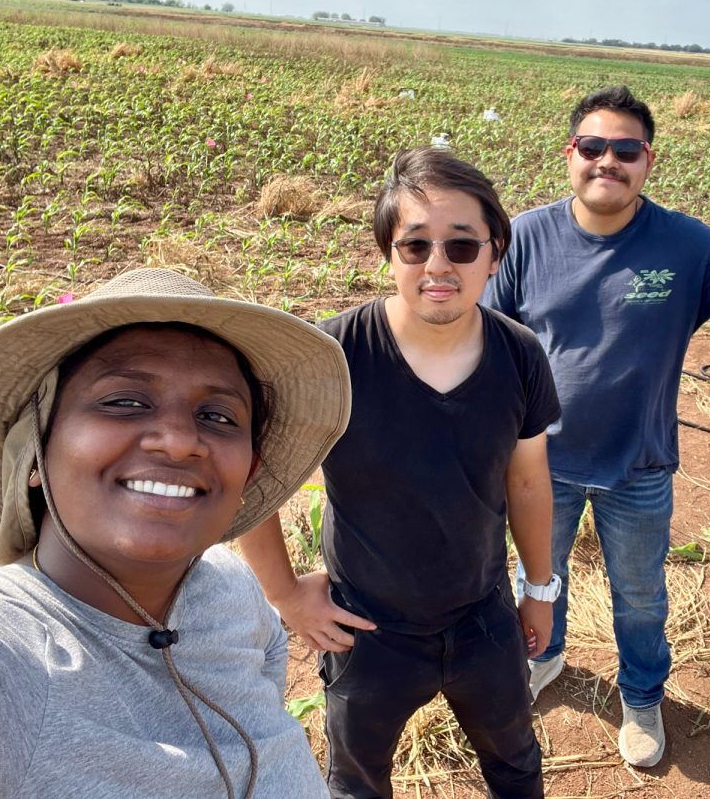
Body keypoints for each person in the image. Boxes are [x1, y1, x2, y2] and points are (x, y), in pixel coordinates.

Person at [0, 268, 352, 798]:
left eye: (217, 415)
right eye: (125, 402)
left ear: (249, 472)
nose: (180, 441)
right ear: (34, 450)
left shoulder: (232, 590)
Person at [239, 147, 561, 799]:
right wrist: (285, 594)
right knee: (357, 782)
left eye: (462, 247)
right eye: (415, 246)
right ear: (389, 254)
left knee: (516, 763)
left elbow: (527, 483)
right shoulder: (330, 359)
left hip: (484, 616)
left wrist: (539, 588)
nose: (438, 265)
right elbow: (253, 480)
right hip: (367, 631)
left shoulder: (519, 356)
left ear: (495, 254)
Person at [483, 85, 710, 768]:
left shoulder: (682, 243)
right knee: (539, 575)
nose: (607, 162)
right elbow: (489, 340)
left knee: (641, 594)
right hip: (539, 462)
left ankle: (643, 694)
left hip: (639, 463)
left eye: (626, 150)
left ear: (648, 161)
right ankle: (546, 657)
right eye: (593, 147)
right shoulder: (528, 236)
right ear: (571, 154)